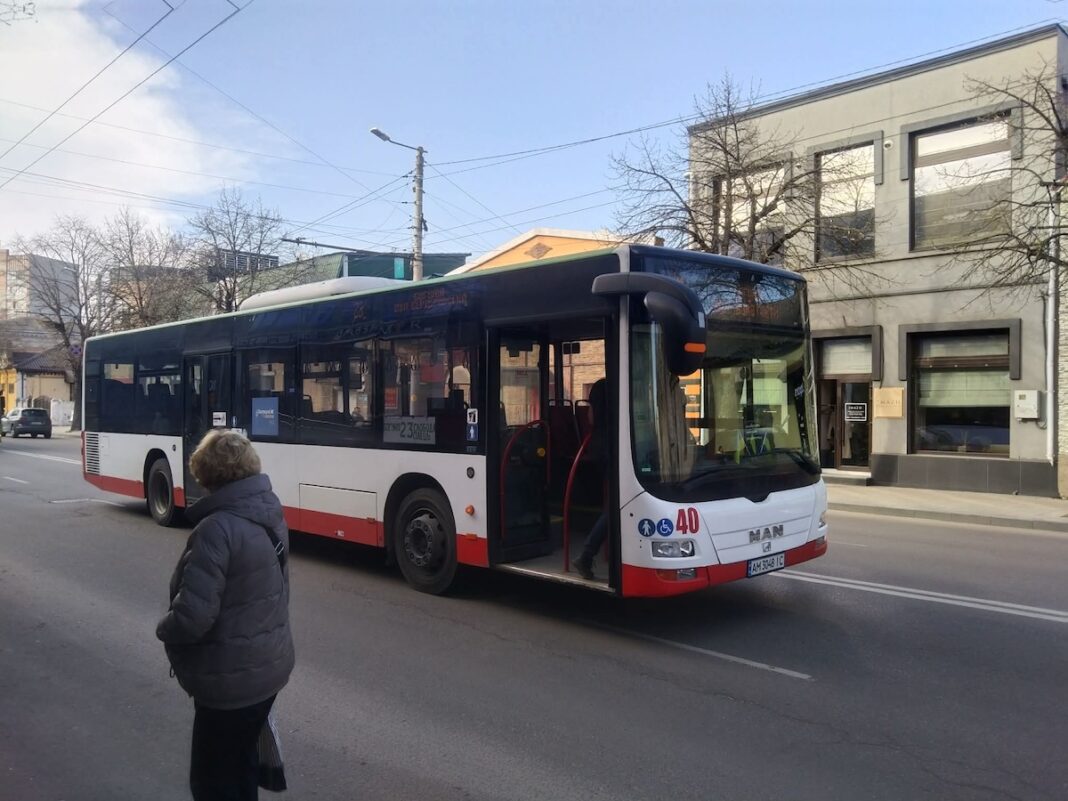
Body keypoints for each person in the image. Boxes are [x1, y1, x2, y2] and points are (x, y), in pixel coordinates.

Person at [157, 430, 295, 801]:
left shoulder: (216, 528)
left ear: (208, 473)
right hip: (267, 670)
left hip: (230, 683)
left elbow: (192, 617)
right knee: (241, 767)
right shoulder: (269, 514)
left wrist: (163, 630)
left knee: (212, 783)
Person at [572, 379, 607, 580]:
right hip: (607, 449)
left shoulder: (601, 387)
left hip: (600, 446)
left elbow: (592, 419)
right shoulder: (609, 387)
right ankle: (586, 556)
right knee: (616, 508)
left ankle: (587, 555)